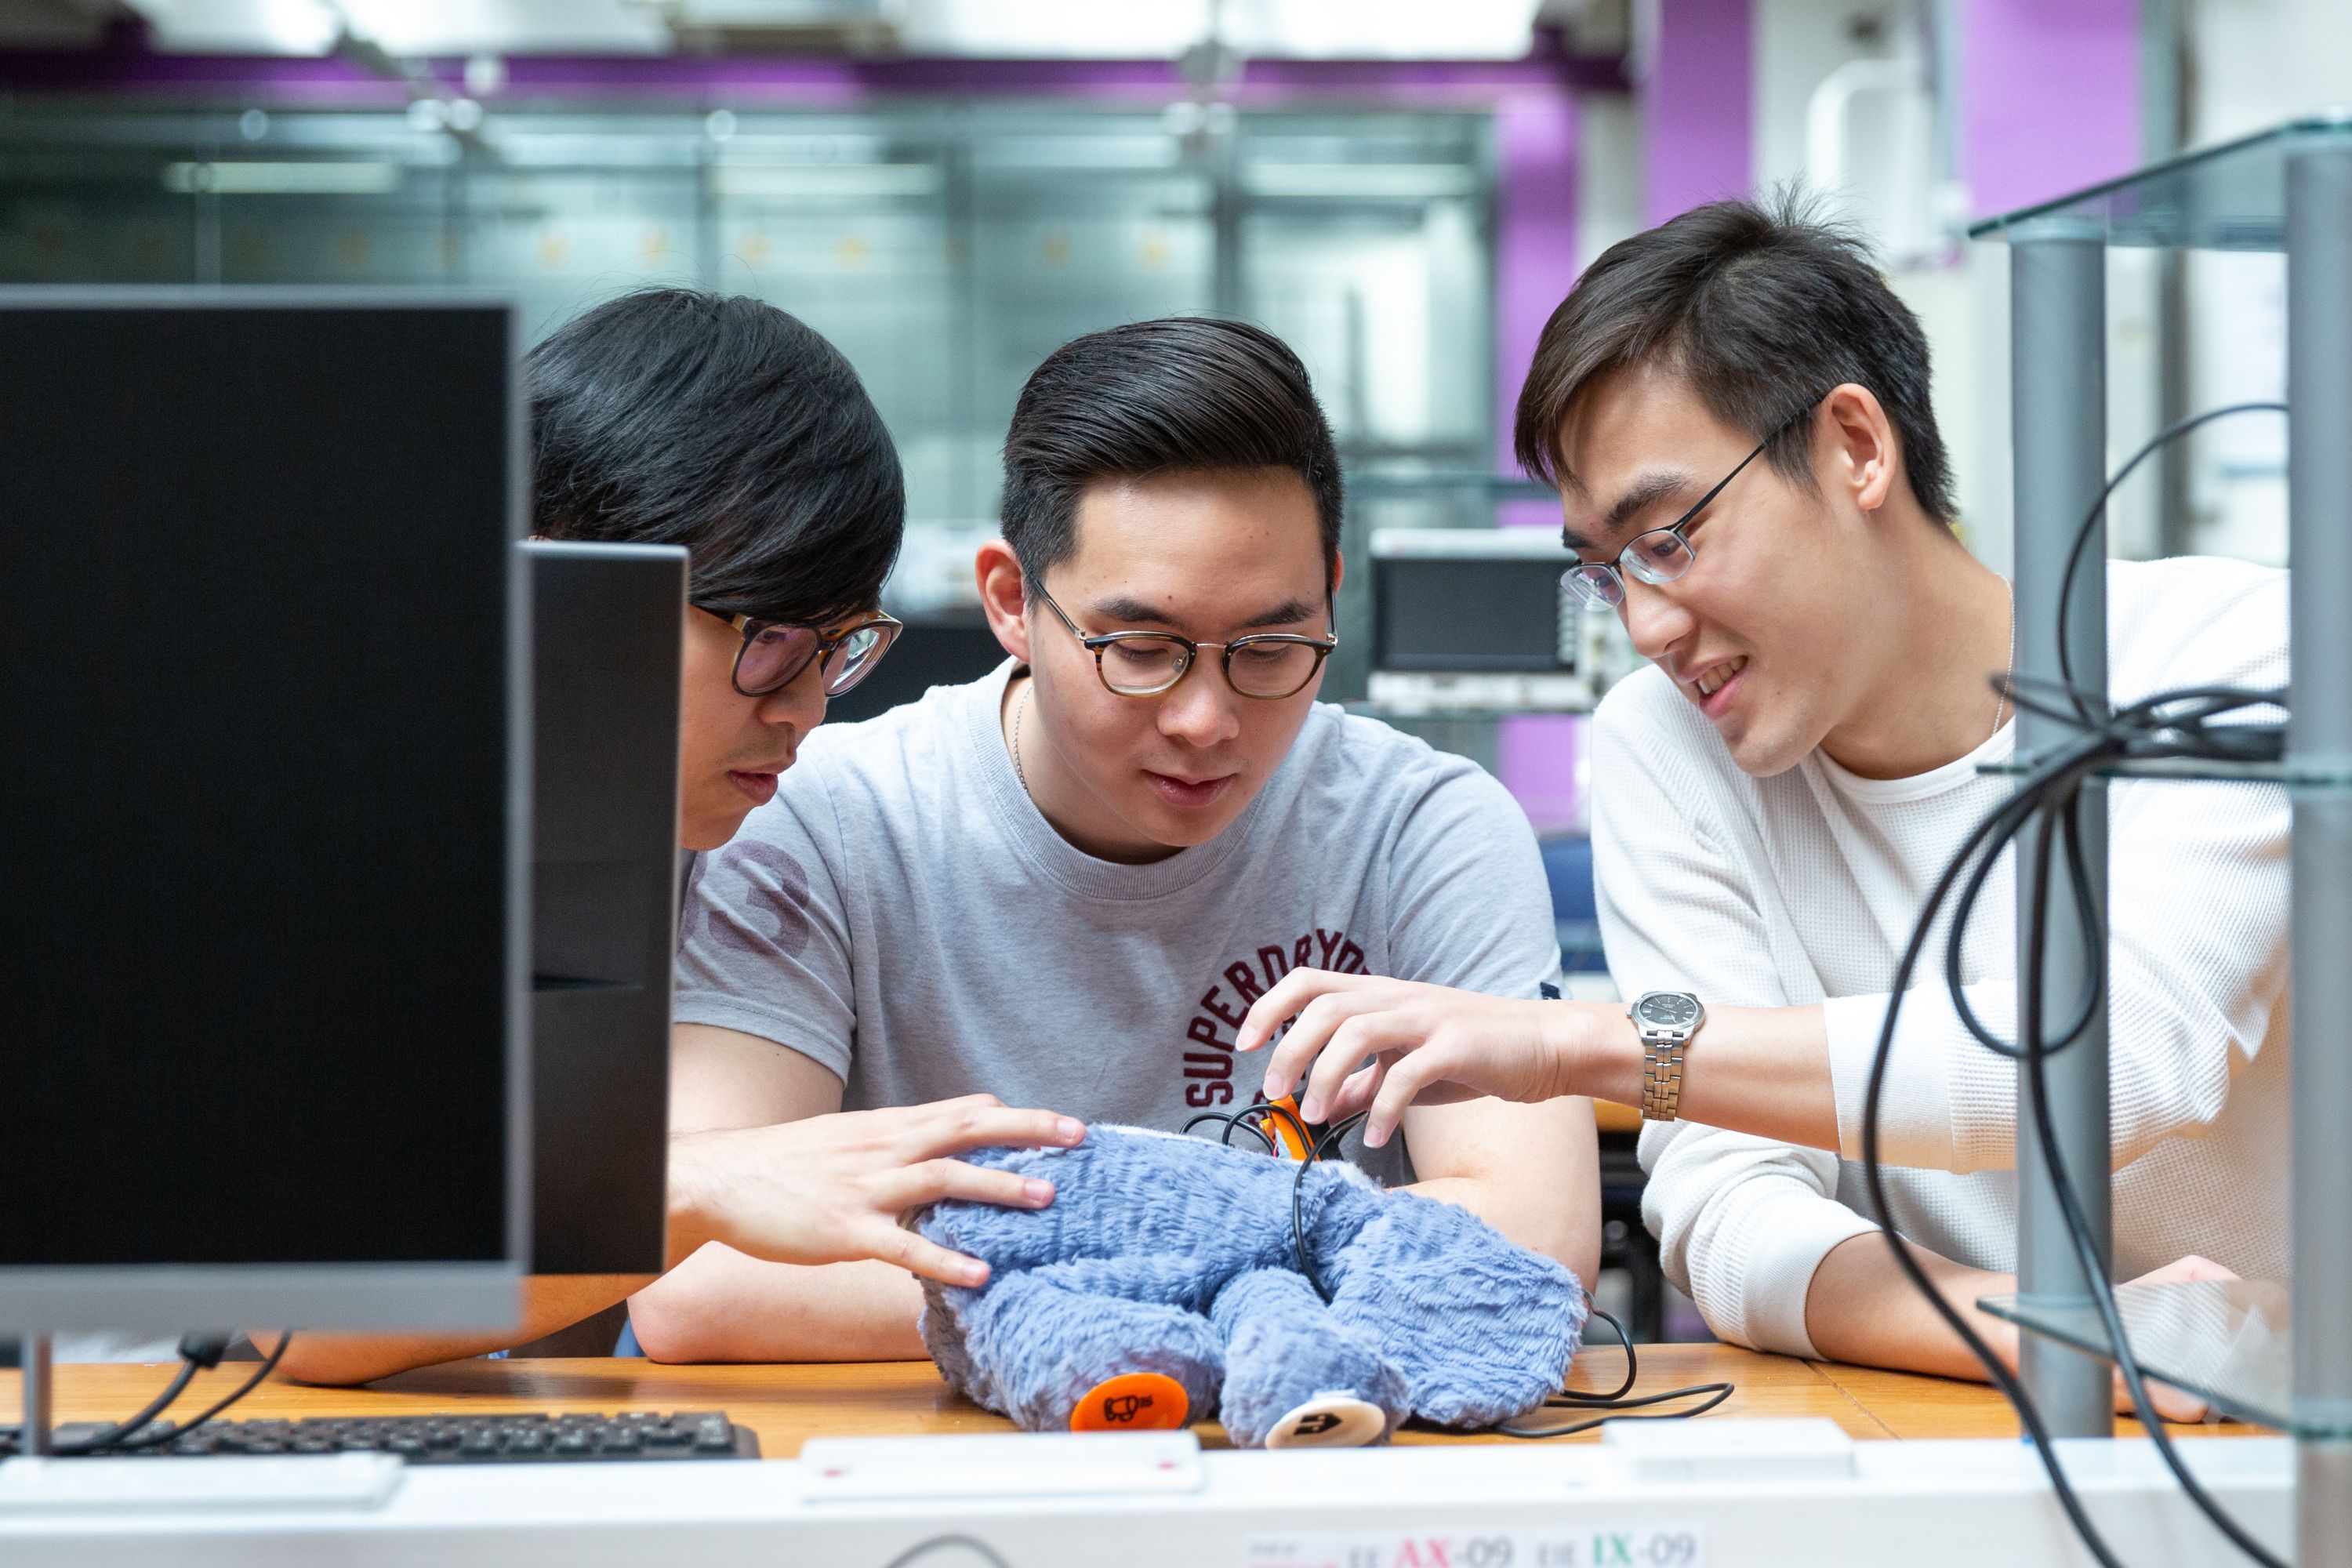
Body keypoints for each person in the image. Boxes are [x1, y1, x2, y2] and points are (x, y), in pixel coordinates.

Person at [1239, 198, 2286, 1404]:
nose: (1645, 626)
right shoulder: (1669, 744)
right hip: (1966, 1429)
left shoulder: (2230, 659)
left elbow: (2107, 1057)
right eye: (1606, 573)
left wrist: (1575, 1045)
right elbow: (1724, 1208)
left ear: (1854, 447)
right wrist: (2057, 1341)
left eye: (1670, 539)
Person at [633, 316, 1599, 1362]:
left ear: (1330, 587)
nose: (1205, 720)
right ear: (1011, 600)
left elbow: (1536, 1240)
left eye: (1272, 647)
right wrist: (1266, 1281)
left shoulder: (1421, 829)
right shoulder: (817, 820)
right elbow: (702, 1276)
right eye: (1141, 649)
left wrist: (1065, 1283)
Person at [274, 289, 1083, 1387]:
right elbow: (297, 1321)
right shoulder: (336, 816)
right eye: (770, 637)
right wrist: (696, 1186)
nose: (806, 707)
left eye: (841, 644)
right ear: (560, 574)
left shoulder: (707, 845)